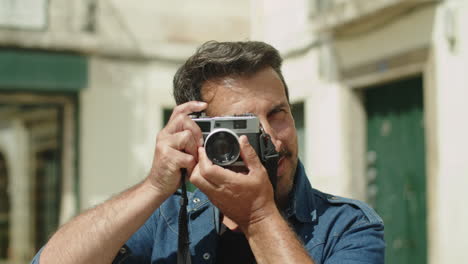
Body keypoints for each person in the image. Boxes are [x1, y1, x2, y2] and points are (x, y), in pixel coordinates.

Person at [32, 41, 385, 264]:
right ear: (199, 135)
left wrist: (258, 217)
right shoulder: (167, 220)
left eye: (278, 115)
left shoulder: (348, 225)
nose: (270, 141)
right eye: (242, 126)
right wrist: (155, 187)